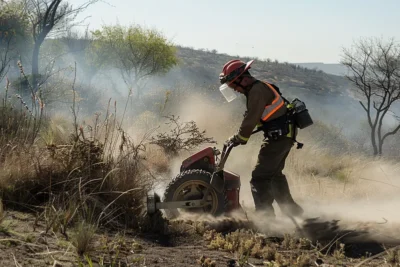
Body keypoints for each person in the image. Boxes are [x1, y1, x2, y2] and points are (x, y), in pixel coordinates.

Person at [219, 59, 304, 218]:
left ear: (243, 79)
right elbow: (258, 118)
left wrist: (240, 137)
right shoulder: (258, 88)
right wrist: (239, 136)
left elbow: (251, 119)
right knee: (274, 176)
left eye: (234, 85)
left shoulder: (256, 91)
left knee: (260, 179)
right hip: (284, 135)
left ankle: (266, 221)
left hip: (279, 138)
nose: (235, 90)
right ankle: (293, 212)